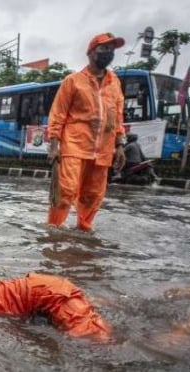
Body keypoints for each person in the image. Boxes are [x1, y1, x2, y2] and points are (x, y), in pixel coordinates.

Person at [47, 32, 127, 232]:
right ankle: (53, 230)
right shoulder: (72, 81)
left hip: (103, 150)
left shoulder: (115, 83)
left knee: (93, 195)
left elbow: (118, 117)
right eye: (104, 48)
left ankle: (83, 230)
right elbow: (58, 114)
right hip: (74, 145)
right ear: (91, 52)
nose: (108, 53)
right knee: (66, 191)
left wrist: (120, 145)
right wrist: (54, 145)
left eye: (111, 49)